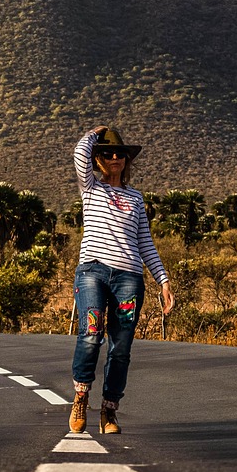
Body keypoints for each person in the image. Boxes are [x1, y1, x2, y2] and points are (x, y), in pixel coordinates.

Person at [69, 125, 175, 435]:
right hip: (93, 271)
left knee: (121, 346)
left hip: (128, 276)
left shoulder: (136, 198)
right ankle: (80, 397)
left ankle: (109, 410)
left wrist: (163, 280)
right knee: (91, 332)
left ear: (127, 160)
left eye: (120, 154)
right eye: (107, 153)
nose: (114, 157)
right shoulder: (90, 188)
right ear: (97, 160)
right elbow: (78, 155)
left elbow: (145, 244)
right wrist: (94, 134)